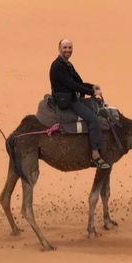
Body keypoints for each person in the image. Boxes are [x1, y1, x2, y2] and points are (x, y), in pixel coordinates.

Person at [49, 39, 110, 169]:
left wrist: (92, 86)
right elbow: (72, 85)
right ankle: (95, 155)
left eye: (70, 48)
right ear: (59, 48)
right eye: (65, 47)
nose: (67, 50)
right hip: (68, 100)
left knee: (96, 109)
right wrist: (91, 93)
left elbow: (78, 82)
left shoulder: (67, 65)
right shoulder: (58, 66)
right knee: (93, 120)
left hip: (73, 96)